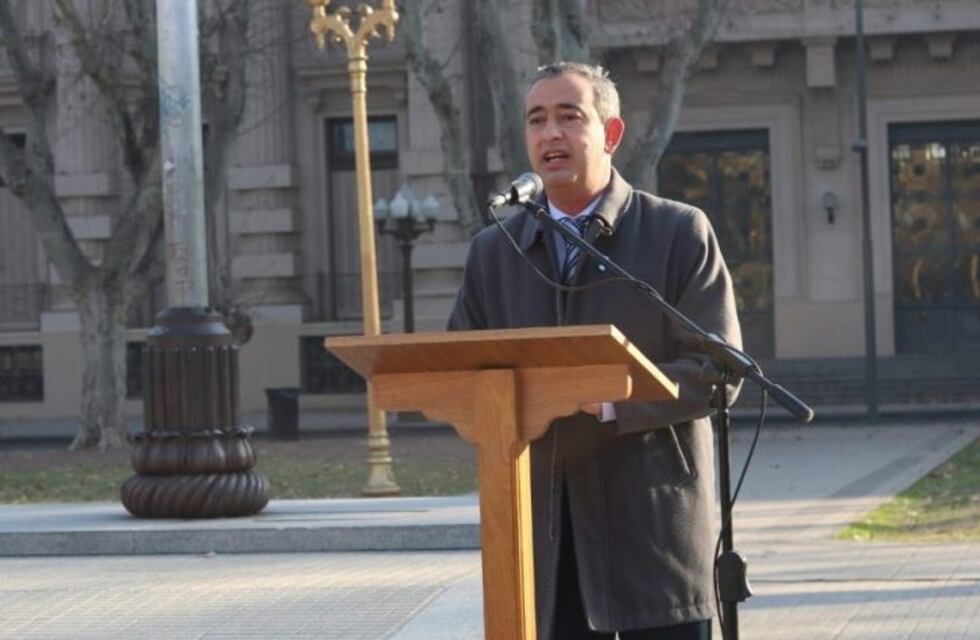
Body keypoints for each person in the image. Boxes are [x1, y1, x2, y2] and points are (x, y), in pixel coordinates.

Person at [448, 61, 741, 640]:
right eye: (536, 120)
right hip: (542, 545)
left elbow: (718, 369)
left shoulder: (677, 232)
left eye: (569, 117)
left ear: (611, 133)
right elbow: (462, 370)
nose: (550, 134)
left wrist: (615, 398)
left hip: (652, 539)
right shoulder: (494, 251)